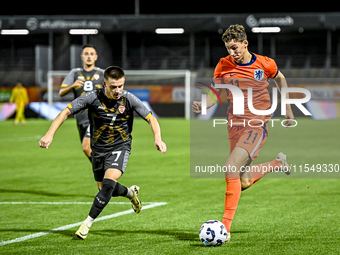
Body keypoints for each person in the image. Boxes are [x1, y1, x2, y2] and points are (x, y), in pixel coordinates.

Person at [192, 24, 294, 242]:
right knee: (244, 181)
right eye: (229, 48)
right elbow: (215, 93)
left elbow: (280, 78)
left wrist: (287, 109)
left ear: (245, 43)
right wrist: (204, 104)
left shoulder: (265, 63)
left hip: (257, 124)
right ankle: (278, 162)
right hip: (234, 126)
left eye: (235, 47)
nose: (232, 52)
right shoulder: (223, 64)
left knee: (230, 167)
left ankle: (224, 229)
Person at [39, 66, 167, 240]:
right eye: (113, 87)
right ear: (104, 84)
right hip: (98, 150)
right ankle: (130, 193)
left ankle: (87, 224)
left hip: (120, 147)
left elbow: (151, 118)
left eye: (121, 86)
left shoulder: (129, 99)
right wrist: (49, 134)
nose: (118, 90)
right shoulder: (92, 98)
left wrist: (158, 138)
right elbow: (66, 111)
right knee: (106, 190)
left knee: (108, 184)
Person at [59, 44, 104, 165]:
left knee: (86, 147)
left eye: (91, 54)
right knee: (90, 150)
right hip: (80, 117)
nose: (89, 56)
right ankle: (104, 176)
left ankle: (105, 173)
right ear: (81, 57)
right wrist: (73, 85)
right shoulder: (75, 73)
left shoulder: (102, 74)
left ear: (96, 57)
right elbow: (61, 92)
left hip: (96, 116)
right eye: (86, 54)